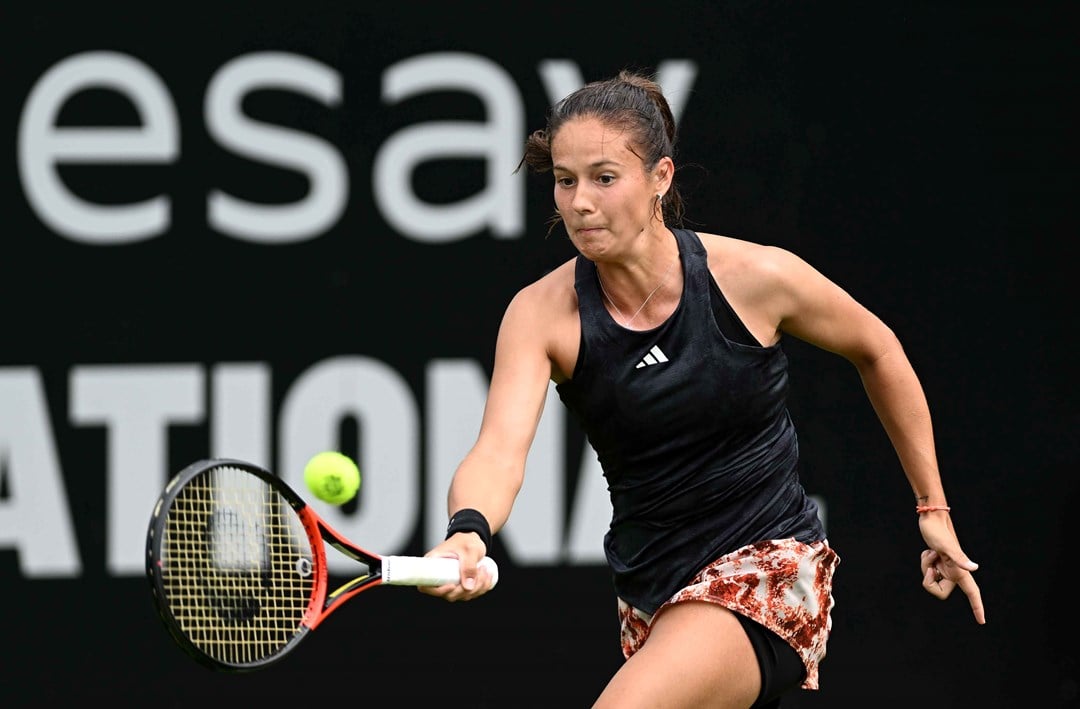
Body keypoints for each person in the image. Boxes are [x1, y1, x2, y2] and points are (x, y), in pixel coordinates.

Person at [420, 69, 985, 708]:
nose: (579, 202)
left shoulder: (755, 276)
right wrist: (469, 530)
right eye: (565, 179)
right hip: (652, 594)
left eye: (605, 178)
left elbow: (877, 348)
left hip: (771, 566)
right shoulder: (541, 314)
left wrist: (931, 509)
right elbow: (499, 451)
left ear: (660, 177)